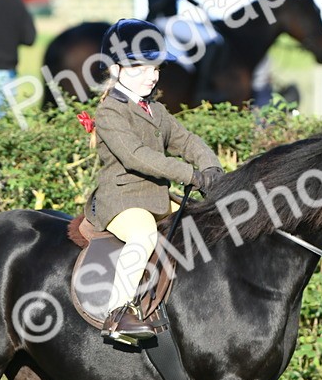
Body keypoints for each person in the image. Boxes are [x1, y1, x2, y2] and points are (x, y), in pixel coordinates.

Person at [83, 19, 224, 344]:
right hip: (122, 202)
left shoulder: (155, 109)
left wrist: (211, 167)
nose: (152, 75)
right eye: (140, 68)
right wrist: (191, 175)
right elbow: (137, 156)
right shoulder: (109, 113)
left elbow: (186, 140)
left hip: (156, 197)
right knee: (144, 235)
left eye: (155, 67)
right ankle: (117, 314)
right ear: (116, 69)